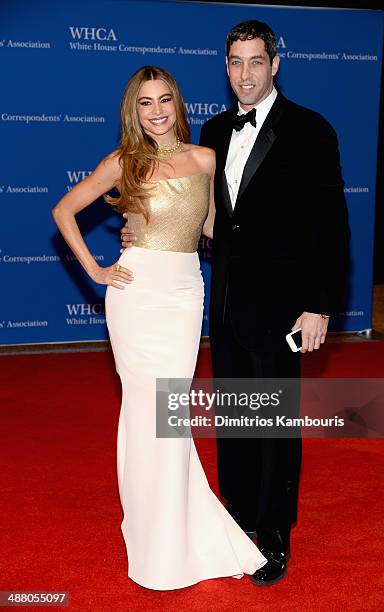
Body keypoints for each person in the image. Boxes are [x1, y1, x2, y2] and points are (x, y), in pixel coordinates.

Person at [122, 20, 350, 587]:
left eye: (255, 61)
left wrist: (320, 306)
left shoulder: (311, 130)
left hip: (283, 306)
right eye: (235, 62)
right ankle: (239, 514)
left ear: (275, 64)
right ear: (225, 67)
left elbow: (331, 226)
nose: (245, 73)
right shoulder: (213, 130)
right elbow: (207, 221)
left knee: (274, 421)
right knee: (234, 416)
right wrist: (141, 228)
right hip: (224, 302)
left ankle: (274, 532)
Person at [51, 65, 267, 590]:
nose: (156, 112)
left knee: (170, 412)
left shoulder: (204, 159)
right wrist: (97, 271)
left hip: (185, 293)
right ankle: (153, 536)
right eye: (144, 103)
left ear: (178, 104)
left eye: (164, 100)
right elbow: (64, 210)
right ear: (134, 111)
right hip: (136, 294)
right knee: (145, 409)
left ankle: (176, 532)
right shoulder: (123, 162)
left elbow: (216, 228)